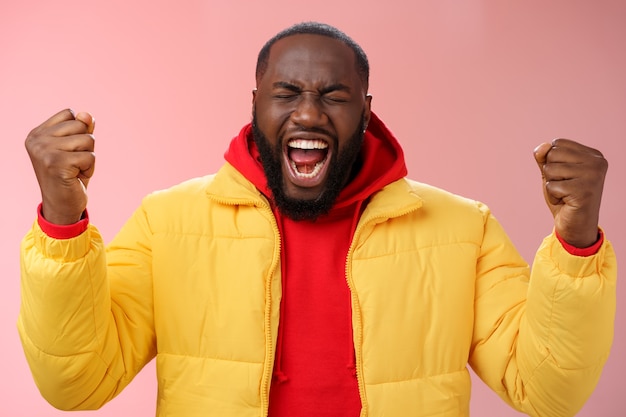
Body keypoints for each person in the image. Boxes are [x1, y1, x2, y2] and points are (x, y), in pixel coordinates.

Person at [18, 21, 616, 417]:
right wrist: (63, 221)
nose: (309, 113)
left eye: (334, 95)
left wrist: (577, 240)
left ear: (365, 111)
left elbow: (547, 391)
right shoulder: (166, 221)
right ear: (254, 104)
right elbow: (77, 382)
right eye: (285, 94)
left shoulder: (463, 229)